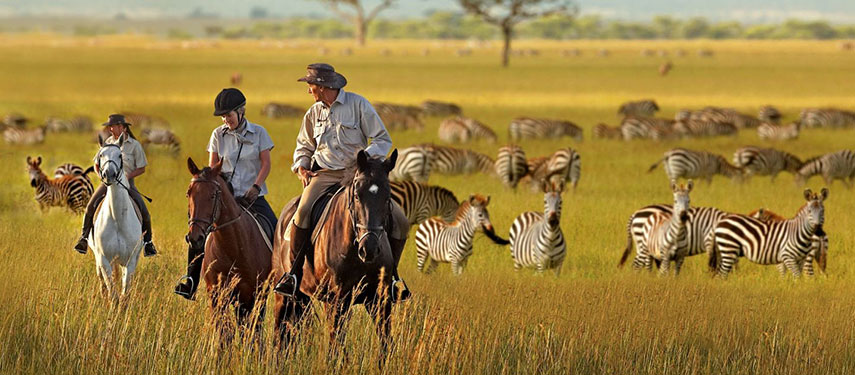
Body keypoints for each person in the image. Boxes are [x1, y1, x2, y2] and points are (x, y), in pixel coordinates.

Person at [272, 63, 410, 299]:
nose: (308, 91)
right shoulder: (313, 113)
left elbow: (382, 139)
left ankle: (392, 278)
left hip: (357, 175)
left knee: (400, 220)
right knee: (303, 211)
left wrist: (364, 160)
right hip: (324, 175)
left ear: (323, 86)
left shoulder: (358, 105)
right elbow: (303, 146)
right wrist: (302, 167)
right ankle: (293, 275)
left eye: (311, 85)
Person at [174, 88, 277, 300]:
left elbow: (266, 164)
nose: (225, 119)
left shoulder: (259, 133)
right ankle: (190, 281)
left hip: (252, 198)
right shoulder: (217, 135)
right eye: (223, 116)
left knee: (276, 231)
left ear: (241, 111)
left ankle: (283, 279)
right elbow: (213, 168)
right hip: (225, 198)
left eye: (228, 115)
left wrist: (256, 187)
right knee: (198, 232)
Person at [74, 114, 157, 257]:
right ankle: (84, 238)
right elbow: (96, 163)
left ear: (122, 127)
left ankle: (148, 243)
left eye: (112, 127)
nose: (110, 129)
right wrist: (100, 175)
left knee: (144, 211)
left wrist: (127, 176)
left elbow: (142, 168)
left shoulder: (135, 145)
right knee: (90, 206)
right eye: (109, 127)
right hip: (108, 182)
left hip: (127, 183)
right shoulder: (108, 142)